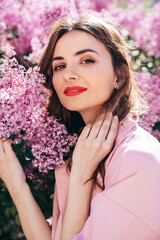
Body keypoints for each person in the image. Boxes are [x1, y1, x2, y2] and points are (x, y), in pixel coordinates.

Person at [0, 13, 160, 240]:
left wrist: (80, 180)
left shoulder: (136, 161)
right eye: (59, 66)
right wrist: (16, 182)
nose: (69, 75)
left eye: (87, 60)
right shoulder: (80, 152)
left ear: (120, 75)